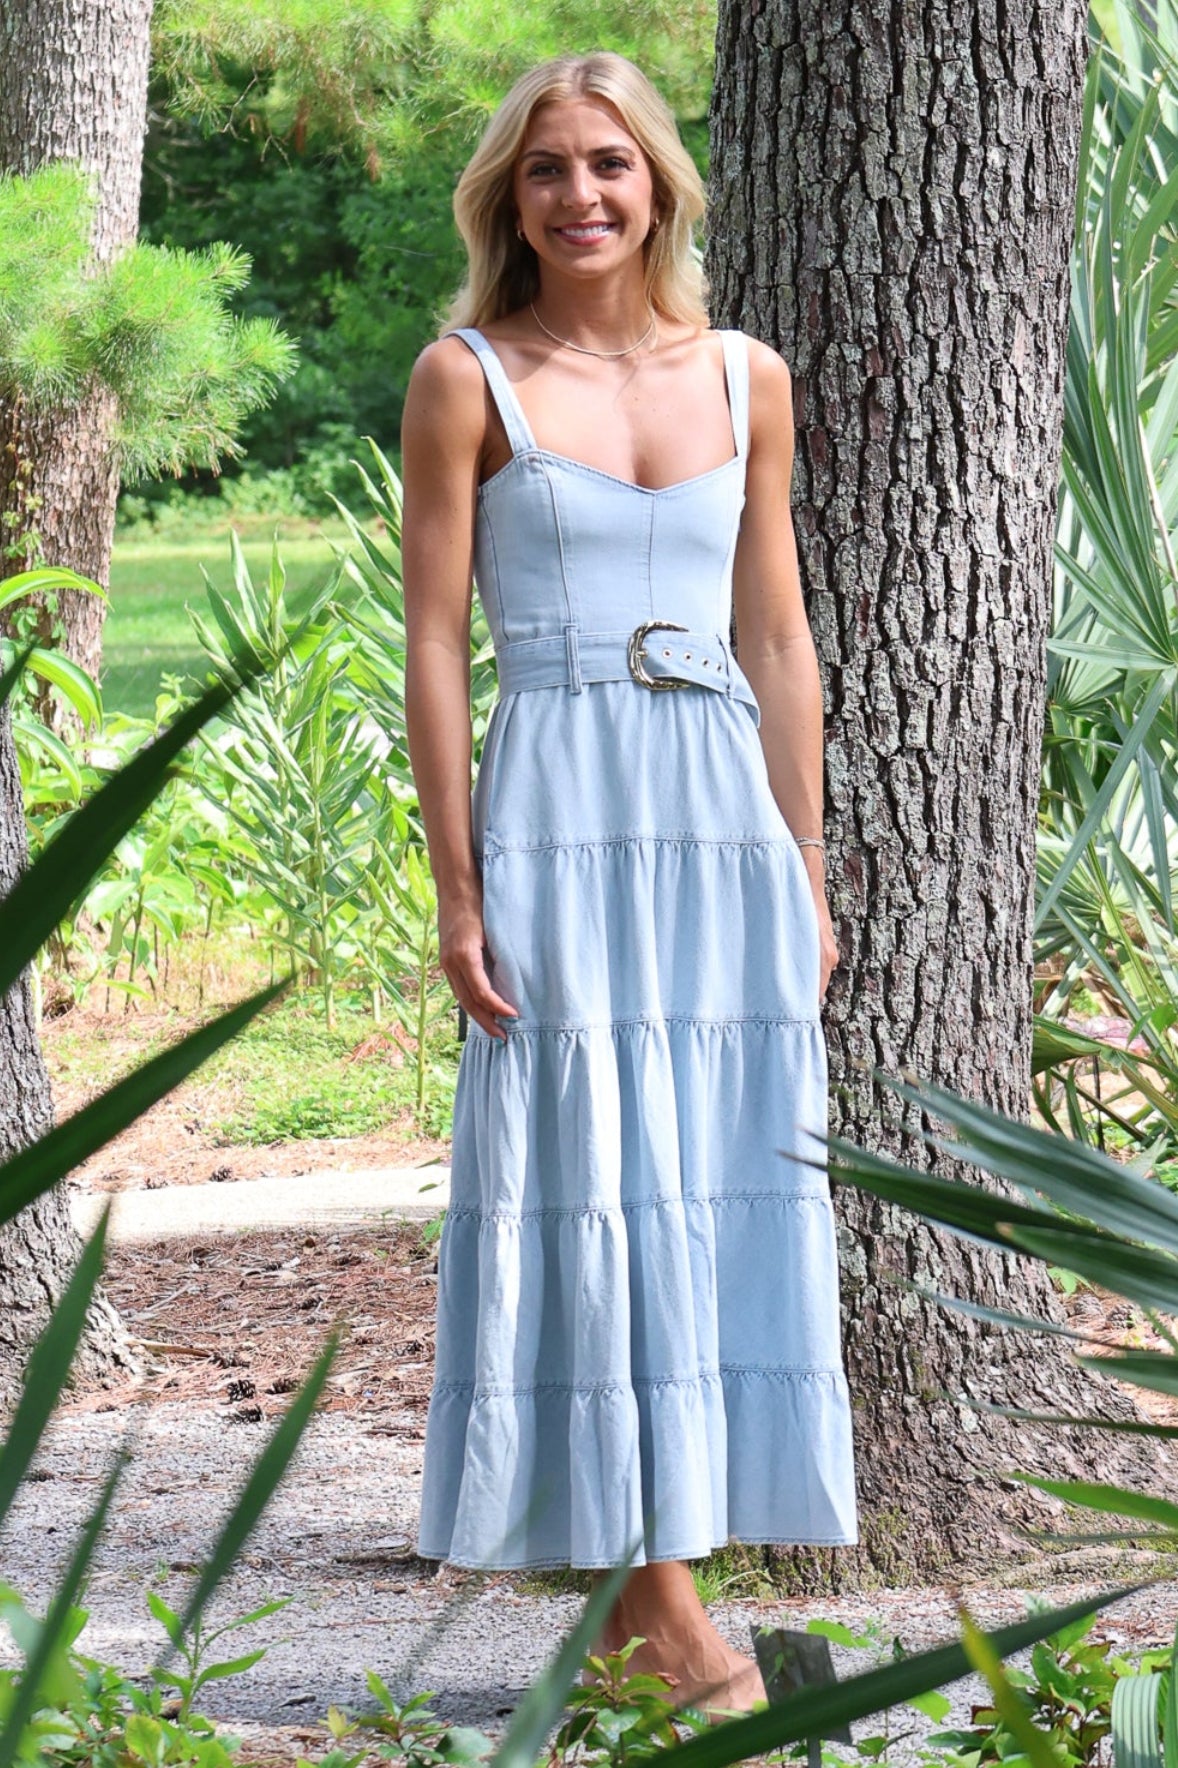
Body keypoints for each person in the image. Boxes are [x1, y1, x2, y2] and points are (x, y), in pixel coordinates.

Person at [400, 49, 859, 1720]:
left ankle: (631, 1615)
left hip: (717, 813)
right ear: (505, 203)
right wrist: (458, 888)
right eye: (544, 172)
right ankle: (661, 1618)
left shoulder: (748, 376)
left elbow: (779, 635)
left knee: (707, 1173)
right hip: (559, 804)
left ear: (658, 183)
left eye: (608, 164)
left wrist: (800, 867)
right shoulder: (467, 378)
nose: (580, 195)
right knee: (587, 1173)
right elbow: (437, 649)